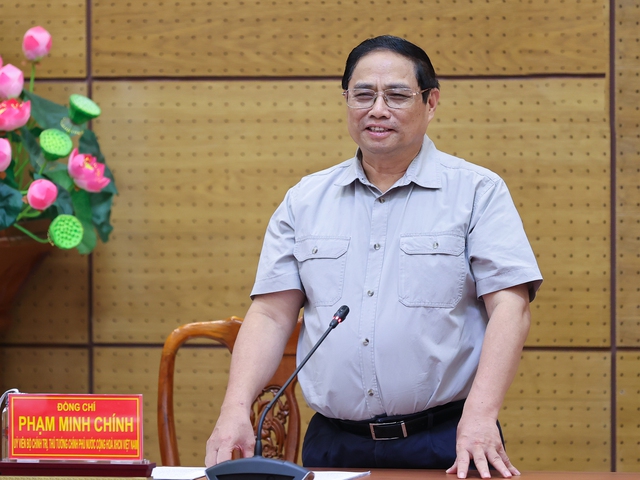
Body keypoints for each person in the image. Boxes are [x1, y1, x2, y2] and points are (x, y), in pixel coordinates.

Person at [205, 35, 543, 479]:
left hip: (447, 440)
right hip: (334, 445)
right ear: (346, 100)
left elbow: (511, 309)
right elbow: (270, 314)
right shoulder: (305, 200)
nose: (377, 109)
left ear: (431, 102)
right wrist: (235, 407)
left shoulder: (477, 192)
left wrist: (481, 415)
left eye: (397, 95)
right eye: (363, 95)